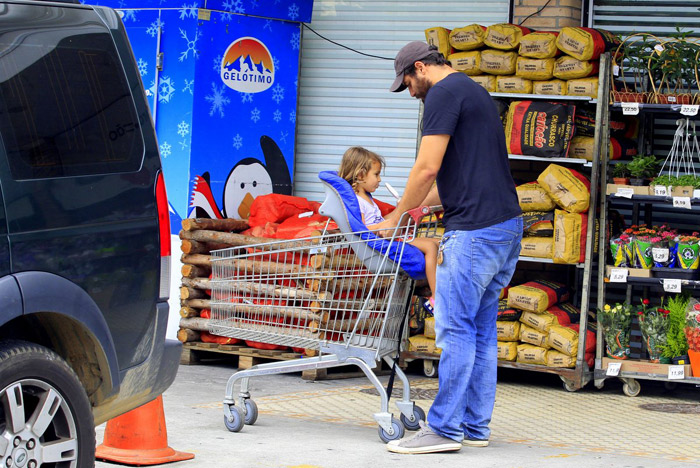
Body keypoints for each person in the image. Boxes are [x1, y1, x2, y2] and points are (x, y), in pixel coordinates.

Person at [376, 41, 523, 454]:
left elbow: (427, 167)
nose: (410, 93)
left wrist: (397, 215)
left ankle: (442, 429)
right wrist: (422, 205)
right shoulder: (474, 91)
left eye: (408, 83)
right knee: (480, 332)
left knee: (456, 329)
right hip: (505, 227)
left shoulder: (440, 94)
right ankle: (475, 427)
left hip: (475, 234)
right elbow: (467, 175)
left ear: (421, 68)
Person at [338, 146, 439, 308]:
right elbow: (363, 229)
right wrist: (385, 226)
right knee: (430, 247)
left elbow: (381, 220)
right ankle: (435, 298)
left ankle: (430, 286)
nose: (379, 180)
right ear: (360, 175)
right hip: (386, 241)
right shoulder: (357, 201)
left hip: (392, 237)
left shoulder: (368, 198)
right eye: (376, 174)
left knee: (437, 243)